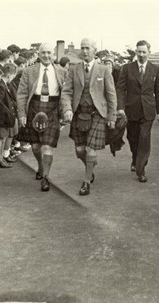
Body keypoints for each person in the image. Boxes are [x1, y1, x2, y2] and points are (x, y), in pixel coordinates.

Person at [61, 38, 117, 195]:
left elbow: (111, 95)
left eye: (88, 48)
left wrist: (111, 117)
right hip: (79, 113)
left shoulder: (104, 69)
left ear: (94, 50)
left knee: (91, 149)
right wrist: (67, 109)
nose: (84, 51)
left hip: (97, 113)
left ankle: (86, 182)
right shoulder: (74, 69)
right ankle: (90, 166)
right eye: (82, 48)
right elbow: (66, 91)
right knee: (80, 150)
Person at [17, 42, 67, 192]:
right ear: (38, 54)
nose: (46, 55)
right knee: (36, 146)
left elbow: (66, 94)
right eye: (43, 52)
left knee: (47, 146)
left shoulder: (62, 71)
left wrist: (65, 111)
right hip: (34, 107)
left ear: (54, 55)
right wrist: (22, 114)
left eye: (49, 53)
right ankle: (40, 165)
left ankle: (45, 177)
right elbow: (22, 94)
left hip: (52, 109)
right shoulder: (28, 71)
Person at [116, 40, 159, 182]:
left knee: (144, 137)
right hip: (131, 109)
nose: (141, 55)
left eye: (144, 52)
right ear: (136, 52)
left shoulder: (155, 69)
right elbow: (120, 89)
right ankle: (135, 157)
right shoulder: (126, 68)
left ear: (149, 53)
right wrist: (120, 107)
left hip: (148, 110)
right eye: (139, 52)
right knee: (133, 137)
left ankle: (141, 169)